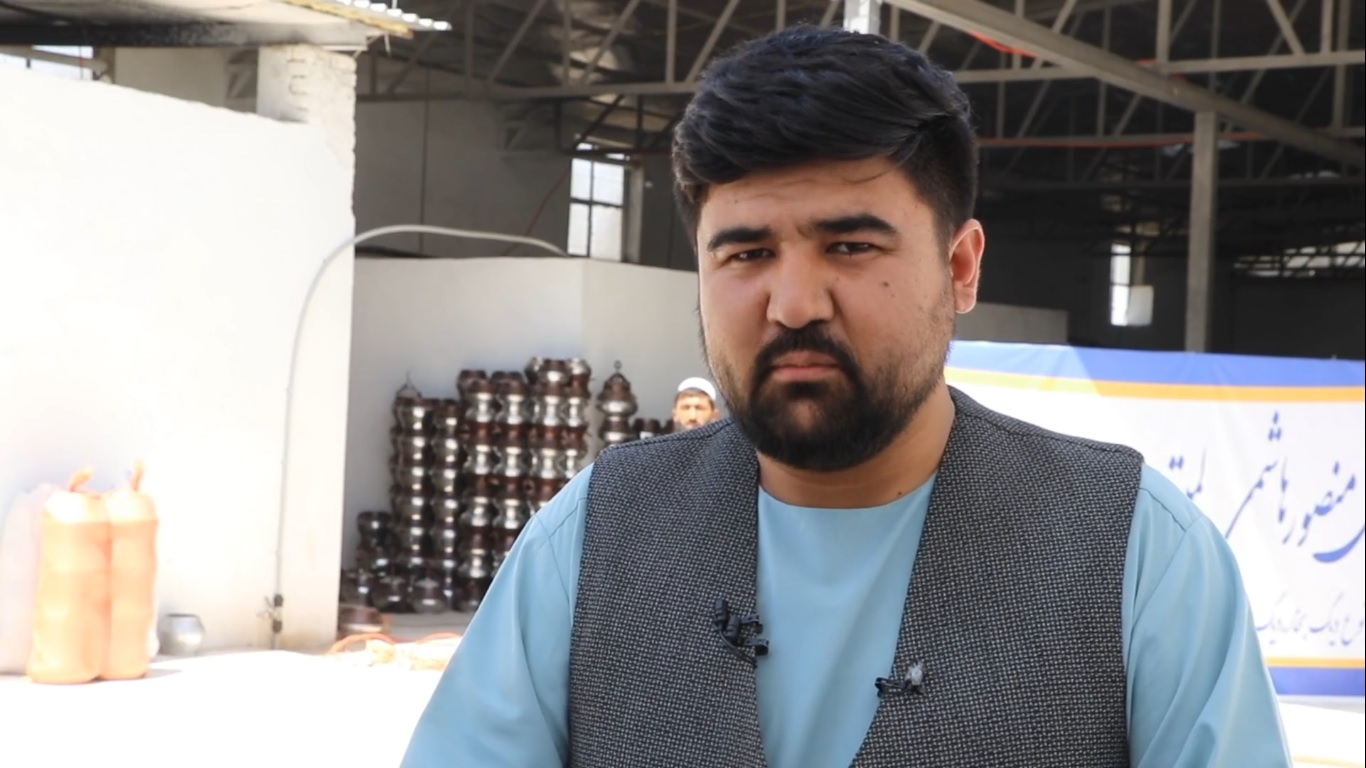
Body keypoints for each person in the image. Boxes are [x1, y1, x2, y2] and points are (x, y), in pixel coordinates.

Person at [402, 25, 1290, 768]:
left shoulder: (1139, 554)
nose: (794, 304)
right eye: (747, 254)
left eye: (851, 247)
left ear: (960, 266)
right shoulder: (593, 538)